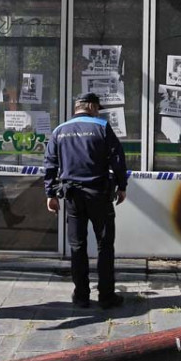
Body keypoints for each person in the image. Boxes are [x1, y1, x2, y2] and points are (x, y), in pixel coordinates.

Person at [44, 92, 128, 309]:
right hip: (99, 194)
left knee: (77, 247)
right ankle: (106, 296)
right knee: (105, 246)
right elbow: (117, 158)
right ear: (90, 106)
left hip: (72, 197)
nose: (98, 111)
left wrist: (50, 194)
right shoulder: (102, 127)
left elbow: (50, 164)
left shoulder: (59, 130)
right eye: (97, 107)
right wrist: (122, 186)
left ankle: (81, 296)